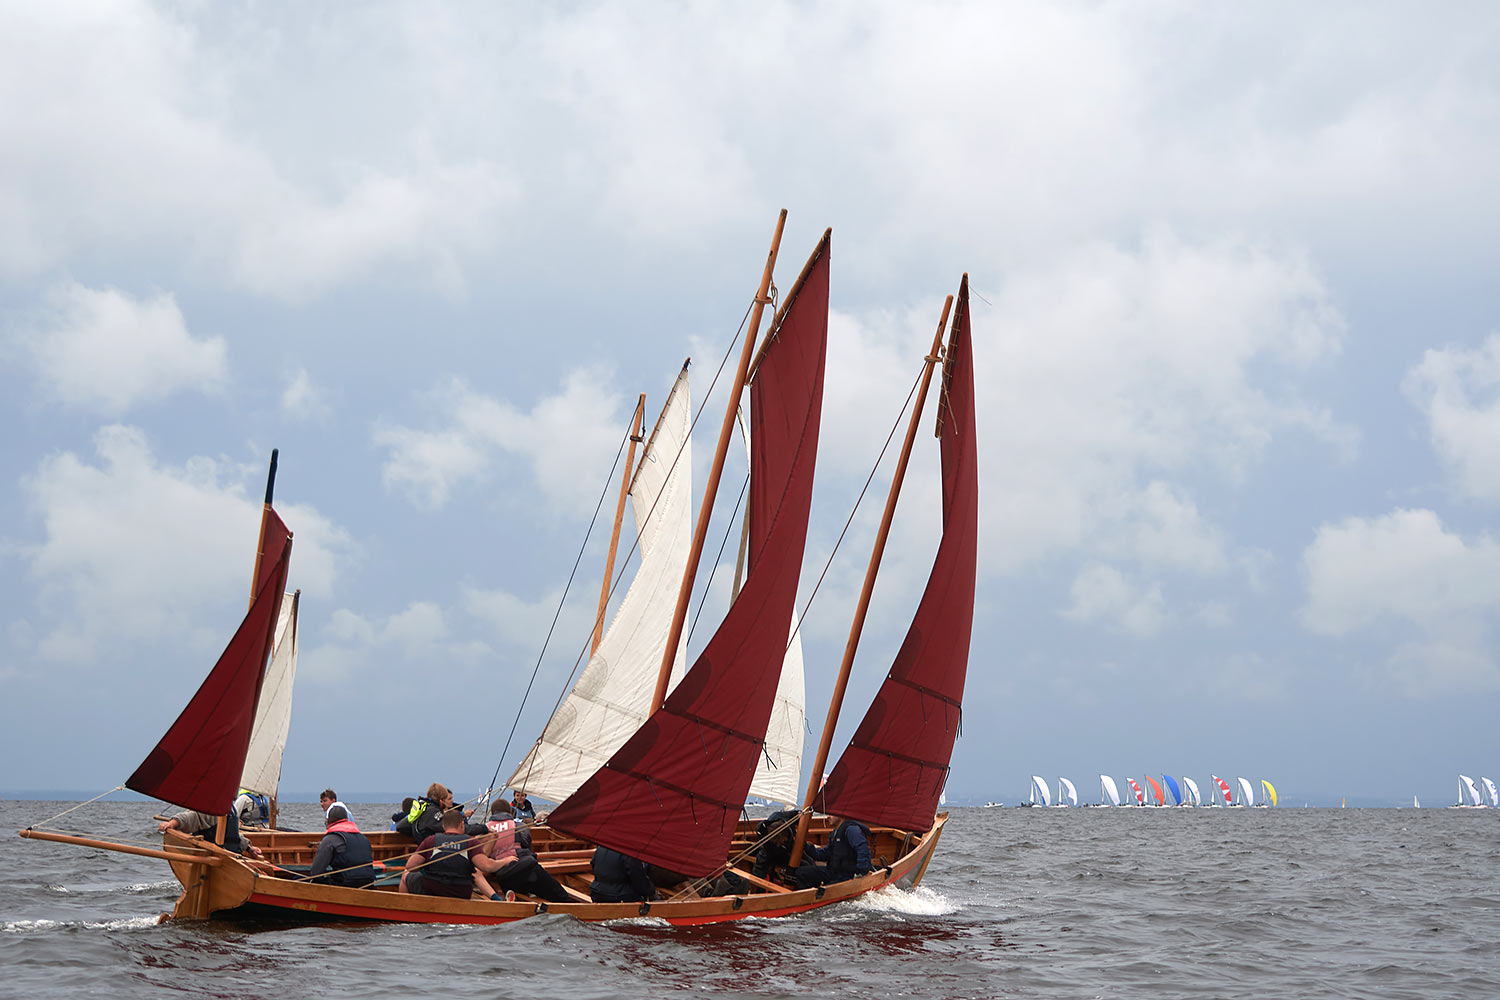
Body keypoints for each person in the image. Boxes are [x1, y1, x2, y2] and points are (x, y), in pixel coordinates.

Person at [475, 800, 570, 903]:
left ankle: (516, 897)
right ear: (509, 811)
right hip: (526, 867)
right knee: (561, 896)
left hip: (504, 876)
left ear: (493, 813)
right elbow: (527, 846)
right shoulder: (518, 826)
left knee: (517, 887)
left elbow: (482, 857)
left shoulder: (485, 829)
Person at [399, 808, 497, 899]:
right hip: (461, 892)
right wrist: (504, 861)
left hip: (432, 889)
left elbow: (410, 866)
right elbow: (486, 866)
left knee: (405, 874)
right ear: (462, 824)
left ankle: (405, 907)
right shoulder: (470, 842)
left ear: (443, 826)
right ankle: (497, 899)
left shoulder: (431, 841)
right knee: (476, 873)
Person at [305, 804, 376, 887]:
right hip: (368, 884)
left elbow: (316, 872)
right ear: (347, 819)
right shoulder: (364, 839)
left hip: (344, 885)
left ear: (327, 821)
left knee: (298, 879)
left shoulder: (330, 839)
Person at [794, 816, 872, 889]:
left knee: (825, 889)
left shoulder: (852, 830)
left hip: (847, 875)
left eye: (831, 814)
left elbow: (863, 849)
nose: (828, 817)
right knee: (801, 872)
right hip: (833, 871)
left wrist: (861, 874)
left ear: (840, 815)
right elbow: (824, 855)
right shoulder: (835, 833)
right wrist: (805, 846)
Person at [157, 807, 262, 859]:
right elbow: (193, 817)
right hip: (216, 860)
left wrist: (248, 847)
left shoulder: (230, 809)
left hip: (234, 859)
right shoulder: (213, 808)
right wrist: (173, 823)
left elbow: (233, 835)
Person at [589, 846, 655, 903]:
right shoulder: (629, 851)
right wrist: (651, 891)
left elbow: (593, 864)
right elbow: (638, 879)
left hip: (597, 892)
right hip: (619, 896)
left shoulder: (602, 847)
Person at [751, 807, 801, 880]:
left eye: (781, 842)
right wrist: (756, 880)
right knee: (803, 864)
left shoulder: (780, 816)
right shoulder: (767, 846)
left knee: (808, 859)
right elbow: (760, 866)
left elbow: (796, 814)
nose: (778, 844)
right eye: (776, 843)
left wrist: (800, 815)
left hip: (793, 845)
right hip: (778, 854)